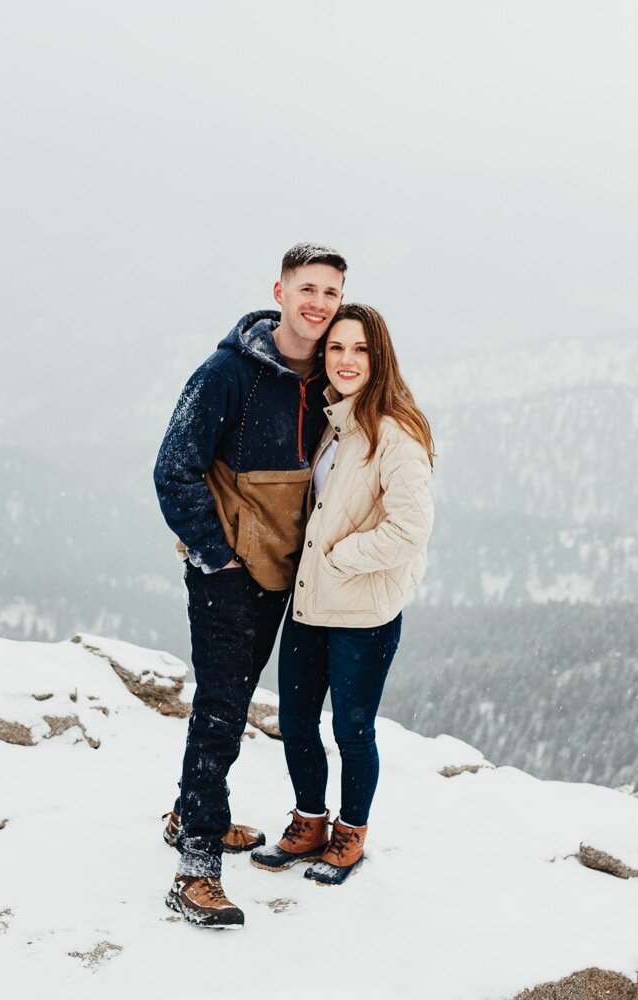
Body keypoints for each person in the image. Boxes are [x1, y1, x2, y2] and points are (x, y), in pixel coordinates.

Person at [153, 243, 347, 927]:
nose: (318, 303)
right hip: (230, 578)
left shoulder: (326, 377)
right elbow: (173, 467)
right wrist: (216, 557)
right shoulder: (227, 374)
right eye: (308, 289)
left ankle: (190, 813)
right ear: (280, 291)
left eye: (330, 292)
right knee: (219, 714)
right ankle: (195, 870)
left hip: (282, 576)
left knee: (229, 707)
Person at [250, 303, 435, 886]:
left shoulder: (397, 432)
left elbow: (409, 530)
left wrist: (337, 559)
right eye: (336, 348)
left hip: (363, 612)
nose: (347, 360)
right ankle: (309, 821)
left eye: (359, 349)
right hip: (310, 604)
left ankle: (351, 833)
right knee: (298, 721)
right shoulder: (333, 420)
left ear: (378, 356)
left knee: (352, 731)